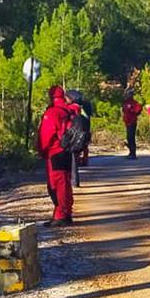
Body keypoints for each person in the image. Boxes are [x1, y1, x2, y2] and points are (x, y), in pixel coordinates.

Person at [37, 85, 73, 227]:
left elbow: (45, 136)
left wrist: (41, 151)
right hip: (67, 152)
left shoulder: (52, 113)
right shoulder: (69, 110)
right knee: (65, 184)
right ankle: (65, 213)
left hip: (55, 153)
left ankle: (61, 215)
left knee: (56, 186)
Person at [65, 89, 91, 187]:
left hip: (73, 137)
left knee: (72, 160)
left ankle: (73, 181)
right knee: (75, 159)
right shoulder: (83, 108)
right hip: (82, 135)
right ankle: (75, 181)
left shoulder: (72, 108)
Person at [121, 88, 142, 159]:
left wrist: (132, 110)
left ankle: (133, 153)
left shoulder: (134, 103)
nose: (126, 95)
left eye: (128, 94)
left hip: (132, 122)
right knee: (128, 138)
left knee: (131, 137)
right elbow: (123, 111)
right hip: (127, 122)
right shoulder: (125, 102)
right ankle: (130, 152)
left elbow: (138, 109)